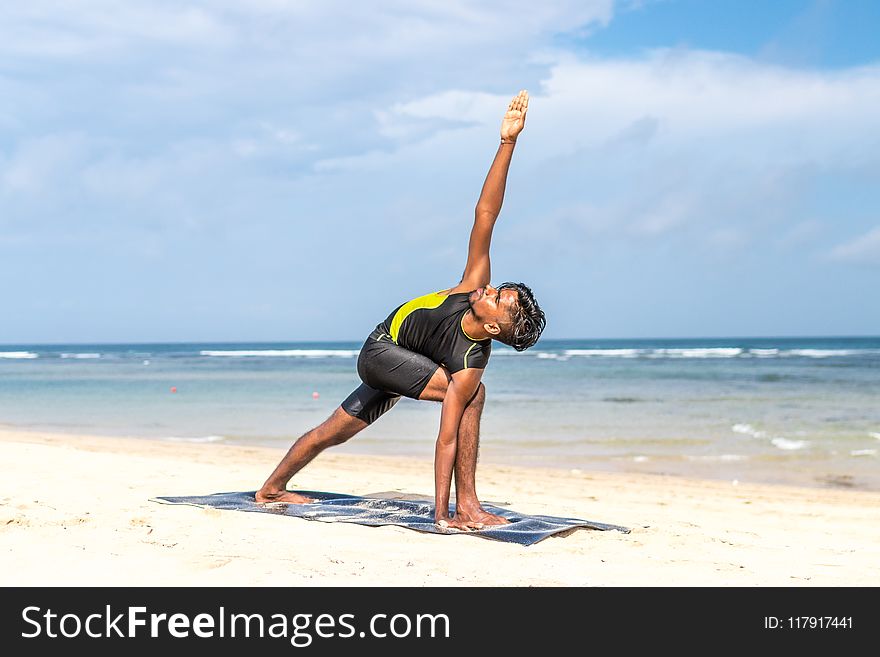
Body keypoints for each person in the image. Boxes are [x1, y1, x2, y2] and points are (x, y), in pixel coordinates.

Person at [256, 90, 546, 531]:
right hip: (380, 351)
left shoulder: (470, 363)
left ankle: (271, 489)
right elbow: (486, 212)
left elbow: (446, 437)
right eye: (498, 288)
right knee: (472, 396)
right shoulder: (470, 285)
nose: (488, 287)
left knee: (335, 429)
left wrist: (439, 514)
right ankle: (468, 504)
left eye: (497, 297)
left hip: (406, 366)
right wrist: (507, 143)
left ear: (492, 326)